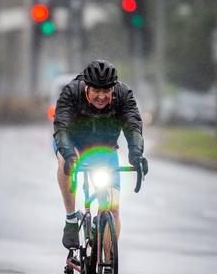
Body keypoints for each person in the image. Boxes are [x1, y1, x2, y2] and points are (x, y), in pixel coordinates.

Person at [53, 59, 148, 250]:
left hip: (105, 147)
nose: (101, 96)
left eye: (106, 91)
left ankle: (107, 267)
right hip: (72, 144)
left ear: (113, 88)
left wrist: (136, 153)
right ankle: (71, 219)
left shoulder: (123, 95)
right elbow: (61, 127)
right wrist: (69, 154)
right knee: (65, 162)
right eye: (96, 91)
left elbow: (133, 125)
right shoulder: (71, 92)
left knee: (112, 210)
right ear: (86, 87)